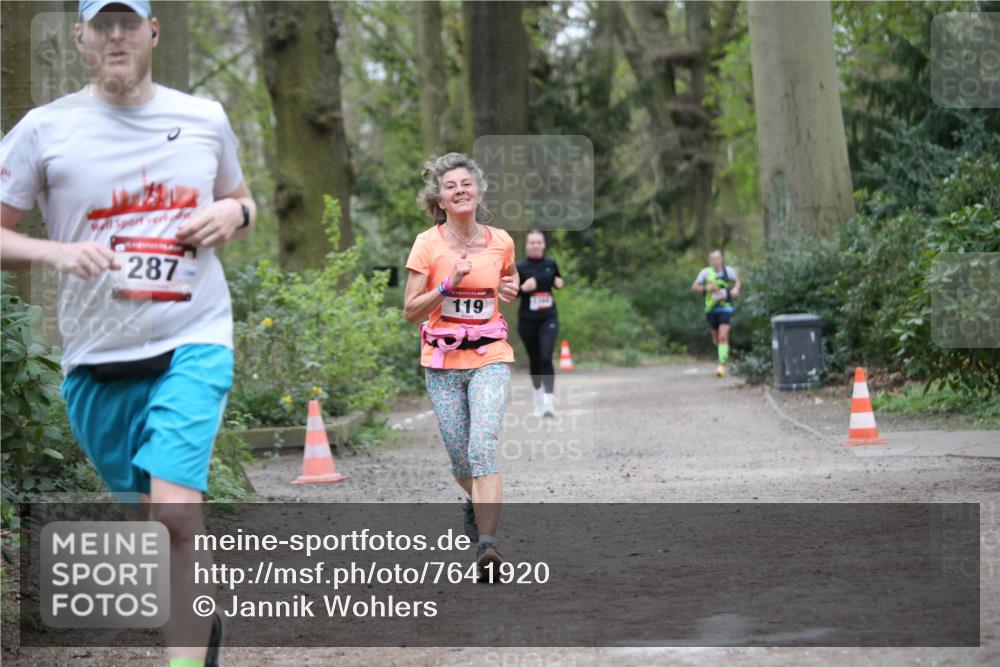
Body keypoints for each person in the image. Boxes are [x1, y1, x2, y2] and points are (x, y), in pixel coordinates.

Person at [0, 2, 256, 664]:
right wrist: (54, 254)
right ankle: (198, 617)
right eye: (102, 24)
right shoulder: (41, 129)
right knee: (151, 527)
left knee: (175, 516)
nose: (117, 35)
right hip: (95, 360)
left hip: (194, 336)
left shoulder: (204, 118)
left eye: (129, 22)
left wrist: (236, 210)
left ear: (152, 32)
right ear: (82, 37)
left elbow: (241, 195)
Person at [403, 153, 519, 579]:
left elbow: (508, 281)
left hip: (491, 356)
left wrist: (512, 289)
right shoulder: (427, 244)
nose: (460, 190)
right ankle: (476, 501)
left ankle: (487, 547)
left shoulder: (501, 240)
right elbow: (411, 311)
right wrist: (447, 285)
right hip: (443, 362)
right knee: (460, 461)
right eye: (450, 186)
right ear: (440, 199)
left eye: (466, 183)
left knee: (482, 444)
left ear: (479, 191)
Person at [516, 230, 564, 417]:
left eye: (539, 242)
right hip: (527, 320)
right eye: (532, 242)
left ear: (543, 245)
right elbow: (512, 295)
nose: (536, 245)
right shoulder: (520, 267)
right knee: (535, 360)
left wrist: (560, 283)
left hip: (548, 318)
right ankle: (537, 400)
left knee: (546, 357)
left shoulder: (550, 264)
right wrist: (522, 288)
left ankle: (549, 402)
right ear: (527, 245)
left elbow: (557, 280)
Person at [692, 250, 741, 377]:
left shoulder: (728, 271)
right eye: (712, 259)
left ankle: (722, 365)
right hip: (711, 308)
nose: (715, 261)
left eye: (717, 258)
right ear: (710, 261)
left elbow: (737, 282)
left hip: (726, 307)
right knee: (717, 337)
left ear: (721, 259)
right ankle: (724, 354)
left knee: (723, 335)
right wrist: (705, 288)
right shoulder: (705, 272)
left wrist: (735, 289)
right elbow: (694, 287)